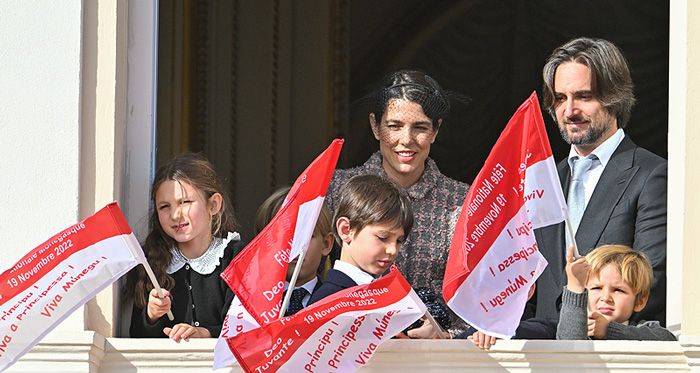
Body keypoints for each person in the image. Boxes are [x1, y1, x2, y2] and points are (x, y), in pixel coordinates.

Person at [533, 37, 667, 328]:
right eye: (559, 98)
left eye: (583, 96)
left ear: (615, 98)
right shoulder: (545, 180)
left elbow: (650, 280)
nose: (569, 111)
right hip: (541, 356)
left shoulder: (651, 174)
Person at [326, 69, 469, 335]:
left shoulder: (464, 201)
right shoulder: (335, 188)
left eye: (420, 127)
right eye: (394, 126)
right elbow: (298, 270)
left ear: (436, 130)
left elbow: (481, 296)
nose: (406, 140)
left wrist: (448, 336)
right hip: (347, 347)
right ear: (375, 126)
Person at [125, 152, 245, 340]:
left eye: (185, 202)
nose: (175, 215)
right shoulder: (151, 262)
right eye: (164, 206)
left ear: (213, 205)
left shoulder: (237, 257)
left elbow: (246, 329)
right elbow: (136, 336)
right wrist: (151, 316)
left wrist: (204, 334)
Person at [308, 174, 413, 304]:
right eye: (383, 237)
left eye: (399, 241)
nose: (392, 250)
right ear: (346, 230)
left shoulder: (393, 295)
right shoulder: (326, 300)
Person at [557, 245, 675, 340]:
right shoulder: (580, 332)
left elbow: (667, 338)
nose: (605, 297)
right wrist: (575, 287)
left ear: (640, 301)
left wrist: (608, 330)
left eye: (618, 290)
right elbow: (570, 343)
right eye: (596, 288)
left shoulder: (642, 330)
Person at [254, 186, 334, 316]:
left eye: (305, 236)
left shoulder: (334, 302)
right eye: (283, 236)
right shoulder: (250, 304)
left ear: (326, 244)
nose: (294, 245)